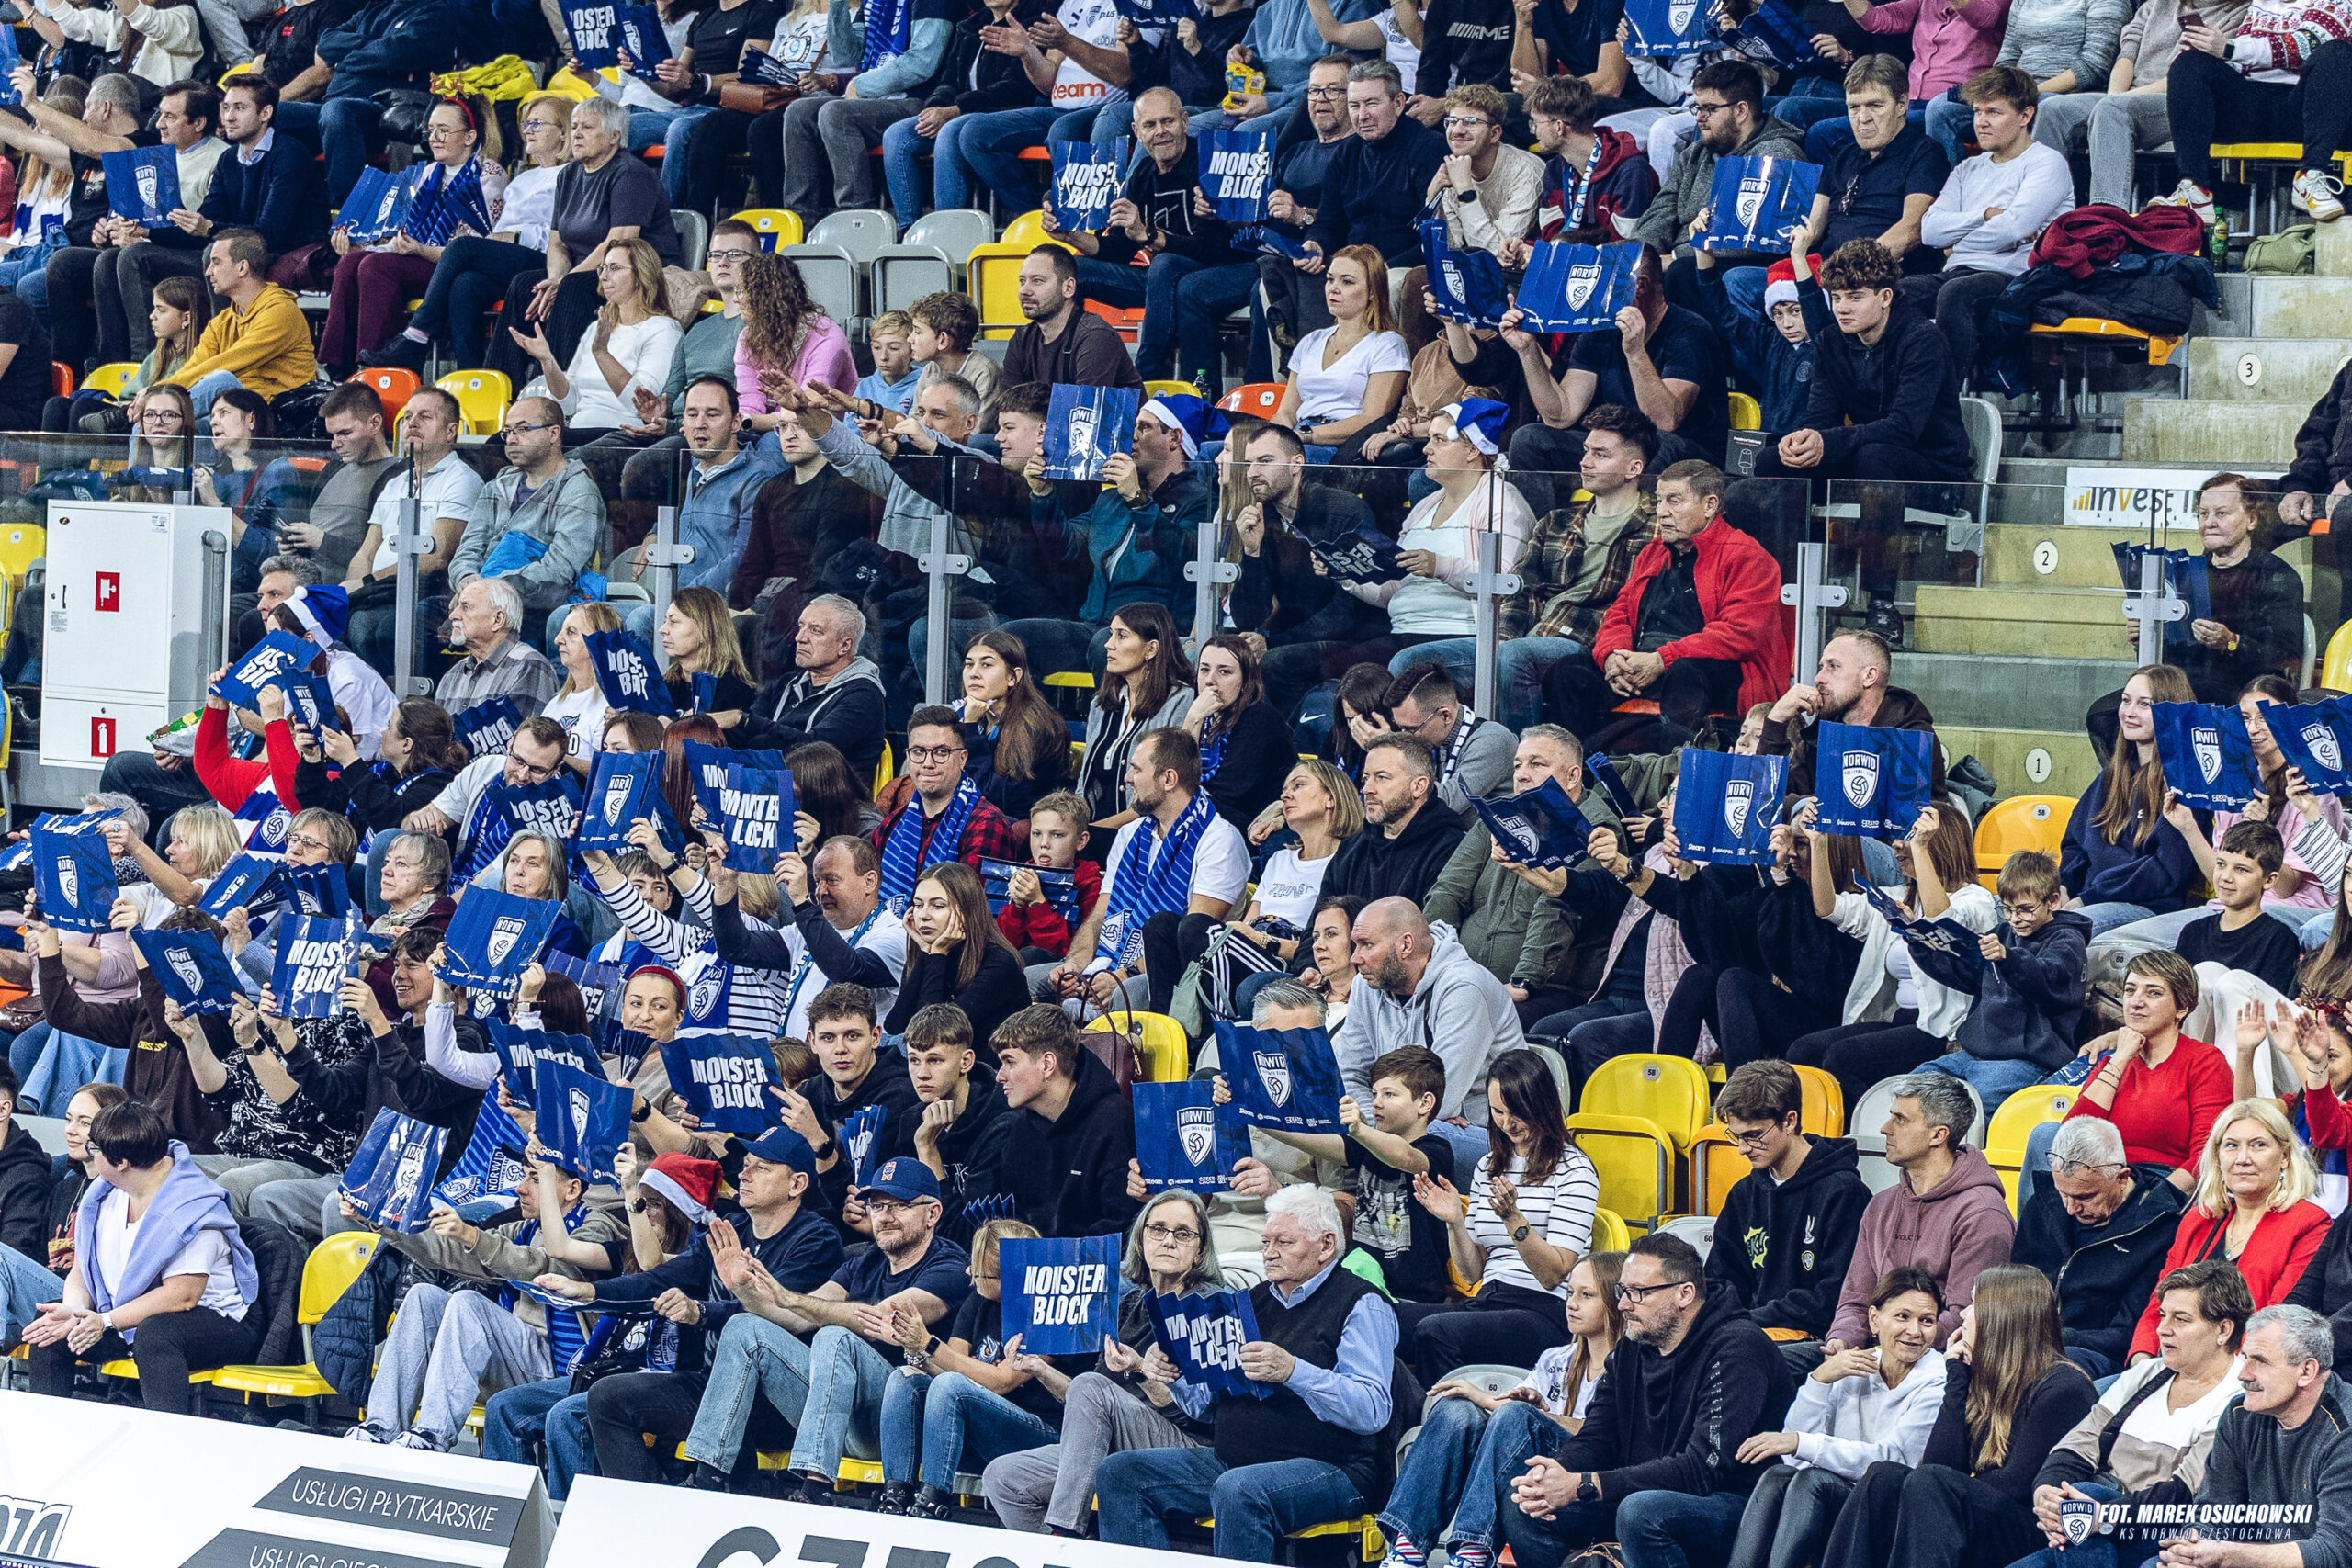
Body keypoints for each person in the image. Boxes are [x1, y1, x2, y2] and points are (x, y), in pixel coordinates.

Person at [1095, 1184, 1402, 1560]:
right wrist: (1174, 1375)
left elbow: (1371, 1409)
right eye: (1266, 1241)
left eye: (1284, 1242)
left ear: (1326, 1245)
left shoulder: (1362, 1302)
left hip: (1335, 1468)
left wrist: (1292, 1371)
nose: (1269, 1253)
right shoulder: (1249, 1302)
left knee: (1239, 1488)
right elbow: (1205, 1409)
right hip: (1235, 1460)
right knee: (1120, 1473)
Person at [542, 1128, 846, 1485]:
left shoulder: (817, 1239)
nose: (744, 1175)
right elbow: (659, 1279)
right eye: (746, 1164)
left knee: (743, 1335)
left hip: (776, 1402)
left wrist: (700, 1312)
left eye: (761, 1168)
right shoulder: (731, 1228)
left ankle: (714, 1492)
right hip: (712, 1385)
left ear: (797, 1184)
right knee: (608, 1398)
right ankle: (639, 1508)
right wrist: (589, 1292)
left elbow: (770, 1316)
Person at [677, 1154, 971, 1494]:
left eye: (900, 1206)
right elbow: (794, 1319)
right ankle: (709, 1477)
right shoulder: (862, 1263)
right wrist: (742, 1288)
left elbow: (882, 1318)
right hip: (836, 1416)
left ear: (932, 1213)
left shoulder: (951, 1266)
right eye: (877, 1206)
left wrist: (792, 1298)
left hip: (899, 1424)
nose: (885, 1217)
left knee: (835, 1336)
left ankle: (815, 1490)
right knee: (743, 1327)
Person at [1504, 1232, 1798, 1568]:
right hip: (1645, 1492)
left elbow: (1700, 1470)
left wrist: (1585, 1484)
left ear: (1685, 1294)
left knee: (1641, 1512)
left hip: (1734, 1506)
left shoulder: (1738, 1349)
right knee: (1525, 1504)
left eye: (1638, 1293)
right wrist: (1555, 1476)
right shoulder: (1635, 1343)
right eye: (1623, 1291)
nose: (1623, 1305)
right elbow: (1599, 1435)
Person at [1815, 1266, 2099, 1568]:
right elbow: (1939, 1464)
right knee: (1882, 1477)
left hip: (2033, 1532)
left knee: (1931, 1483)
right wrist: (1956, 1380)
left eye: (1974, 1303)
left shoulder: (2064, 1387)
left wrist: (1947, 1486)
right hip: (1985, 1516)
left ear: (2000, 1317)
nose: (1963, 1314)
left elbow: (2015, 1486)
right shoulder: (1985, 1380)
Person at [980, 1189, 1228, 1531]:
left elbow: (1202, 1413)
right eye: (1158, 1229)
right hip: (1118, 1439)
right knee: (1004, 1477)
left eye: (1183, 1233)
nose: (1168, 1241)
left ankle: (1065, 1529)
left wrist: (1141, 1371)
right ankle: (1066, 1554)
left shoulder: (1209, 1306)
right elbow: (1087, 1401)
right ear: (1141, 1240)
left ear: (1200, 1251)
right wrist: (1039, 1368)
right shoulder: (1129, 1304)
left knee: (1091, 1385)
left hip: (1187, 1448)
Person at [1766, 234, 1972, 645]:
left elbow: (1904, 428)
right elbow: (1821, 418)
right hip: (1868, 460)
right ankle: (1774, 596)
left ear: (1885, 297)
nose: (1843, 307)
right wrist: (1804, 439)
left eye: (1855, 296)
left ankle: (1882, 606)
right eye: (1837, 297)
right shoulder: (1830, 341)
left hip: (1937, 474)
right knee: (1772, 462)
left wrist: (1828, 442)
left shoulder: (1923, 339)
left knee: (1876, 458)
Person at [1374, 1252, 1626, 1568]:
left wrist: (1534, 1416)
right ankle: (1406, 1548)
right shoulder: (1555, 1358)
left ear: (1617, 1302)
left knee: (1515, 1414)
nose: (1572, 1304)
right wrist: (1483, 1398)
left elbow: (1607, 1437)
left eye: (1586, 1295)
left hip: (1585, 1483)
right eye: (1570, 1292)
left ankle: (1473, 1547)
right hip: (1532, 1470)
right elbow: (1514, 1420)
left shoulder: (1630, 1365)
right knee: (1457, 1410)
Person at [1421, 407, 1655, 732]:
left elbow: (1637, 606)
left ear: (1634, 468)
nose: (1585, 462)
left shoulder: (1658, 527)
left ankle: (1515, 754)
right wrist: (1500, 643)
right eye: (1586, 451)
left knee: (1514, 657)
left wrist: (1506, 652)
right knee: (1411, 664)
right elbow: (1521, 590)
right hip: (1527, 639)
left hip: (1588, 644)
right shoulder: (1557, 521)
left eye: (1601, 455)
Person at [21, 1100, 261, 1414]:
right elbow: (82, 1269)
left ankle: (166, 1436)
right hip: (124, 1316)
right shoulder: (104, 1194)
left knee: (156, 1334)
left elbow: (182, 1296)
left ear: (121, 1162)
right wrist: (74, 1311)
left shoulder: (193, 1206)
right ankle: (49, 1430)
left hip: (215, 1321)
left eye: (96, 1148)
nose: (91, 1154)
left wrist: (105, 1321)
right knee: (51, 1329)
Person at [2019, 1259, 2253, 1568]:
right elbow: (2080, 1442)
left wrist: (2105, 1516)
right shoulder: (2146, 1374)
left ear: (2223, 1329)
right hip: (2094, 1522)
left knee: (2083, 1498)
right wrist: (2048, 1492)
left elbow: (2185, 1493)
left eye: (2181, 1319)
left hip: (2160, 1529)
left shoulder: (2239, 1398)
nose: (2162, 1329)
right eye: (2163, 1316)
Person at [1543, 460, 1792, 743]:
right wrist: (1613, 656)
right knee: (1569, 673)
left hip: (1710, 672)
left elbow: (1739, 635)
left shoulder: (1748, 556)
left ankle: (1676, 765)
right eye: (1659, 501)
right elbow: (1619, 612)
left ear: (1710, 505)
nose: (1661, 512)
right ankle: (1575, 762)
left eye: (1674, 501)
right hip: (1644, 664)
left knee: (1686, 672)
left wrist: (1663, 659)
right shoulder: (1653, 552)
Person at [1728, 1269, 1951, 1568]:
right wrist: (1819, 1380)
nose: (1914, 1330)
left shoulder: (1938, 1380)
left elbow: (1894, 1458)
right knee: (1777, 1476)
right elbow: (1796, 1460)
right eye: (1902, 1316)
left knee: (1813, 1482)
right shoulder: (1854, 1365)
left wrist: (1801, 1443)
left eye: (1927, 1321)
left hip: (1889, 1507)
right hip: (1834, 1495)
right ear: (1874, 1319)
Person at [1788, 804, 2001, 1109]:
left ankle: (1877, 1127)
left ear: (1937, 842)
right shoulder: (1898, 896)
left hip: (1942, 1030)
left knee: (1842, 1058)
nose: (1896, 846)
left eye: (1908, 836)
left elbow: (1943, 921)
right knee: (1803, 1051)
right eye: (1898, 838)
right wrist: (1819, 843)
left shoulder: (1975, 900)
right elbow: (1828, 907)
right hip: (1898, 1020)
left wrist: (1920, 849)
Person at [1400, 1044, 1595, 1376]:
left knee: (1436, 1332)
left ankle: (1447, 1408)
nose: (1508, 1123)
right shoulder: (1488, 1167)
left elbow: (1553, 1274)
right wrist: (1454, 1222)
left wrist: (1513, 1219)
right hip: (1489, 1298)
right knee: (1382, 1319)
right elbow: (1472, 1273)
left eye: (1517, 1112)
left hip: (1545, 1309)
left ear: (1542, 1104)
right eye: (1498, 1112)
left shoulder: (1575, 1170)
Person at [1492, 246, 1729, 509]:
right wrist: (1527, 350)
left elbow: (1665, 420)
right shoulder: (1599, 332)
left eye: (1602, 281)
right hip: (1619, 447)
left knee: (1658, 446)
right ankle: (1548, 531)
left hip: (1688, 455)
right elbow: (1560, 414)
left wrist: (1635, 352)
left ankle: (1633, 532)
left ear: (1640, 286)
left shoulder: (1690, 332)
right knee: (1530, 440)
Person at [1004, 393, 1212, 681]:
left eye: (1143, 427)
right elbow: (1065, 547)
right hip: (1096, 625)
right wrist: (1043, 494)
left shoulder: (1201, 501)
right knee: (1010, 640)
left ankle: (1117, 712)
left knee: (1108, 643)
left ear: (1174, 438)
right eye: (1133, 426)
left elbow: (1183, 554)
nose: (1132, 436)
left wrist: (1138, 500)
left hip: (1156, 635)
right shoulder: (1111, 499)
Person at [367, 92, 575, 372]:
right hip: (510, 258)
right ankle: (472, 376)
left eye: (537, 124)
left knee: (463, 245)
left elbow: (567, 232)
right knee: (465, 284)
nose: (528, 131)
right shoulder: (523, 178)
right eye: (526, 125)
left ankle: (416, 335)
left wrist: (517, 237)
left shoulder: (572, 174)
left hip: (545, 259)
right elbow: (501, 231)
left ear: (563, 132)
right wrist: (501, 238)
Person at [1425, 725, 1617, 1025]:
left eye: (1536, 764)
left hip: (1550, 988)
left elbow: (1559, 907)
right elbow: (1448, 890)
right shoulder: (1496, 816)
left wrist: (1524, 981)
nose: (1522, 775)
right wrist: (1429, 961)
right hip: (1467, 977)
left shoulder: (1595, 829)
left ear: (1572, 776)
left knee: (1477, 1018)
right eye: (1517, 765)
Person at [486, 96, 683, 389]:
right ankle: (502, 389)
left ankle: (555, 390)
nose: (576, 134)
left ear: (614, 136)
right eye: (574, 126)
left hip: (635, 271)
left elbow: (619, 241)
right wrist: (555, 280)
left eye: (587, 127)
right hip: (585, 272)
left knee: (572, 288)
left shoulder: (630, 173)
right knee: (525, 285)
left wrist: (564, 282)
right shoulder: (569, 174)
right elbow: (556, 242)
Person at [2123, 1100, 2330, 1363]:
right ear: (2218, 1159)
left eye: (2258, 1145)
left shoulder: (2310, 1224)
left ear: (2285, 1157)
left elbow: (2275, 1321)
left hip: (2243, 1369)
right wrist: (2142, 1360)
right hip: (2171, 1363)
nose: (2243, 1159)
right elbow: (2159, 1304)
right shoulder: (2198, 1220)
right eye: (2232, 1146)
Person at [1901, 67, 2075, 378]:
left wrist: (1956, 244)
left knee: (1956, 294)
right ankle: (1897, 394)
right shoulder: (1967, 169)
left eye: (1994, 112)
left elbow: (2012, 228)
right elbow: (1929, 231)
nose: (1981, 121)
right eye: (1977, 111)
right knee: (1895, 294)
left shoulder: (2046, 163)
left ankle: (1946, 399)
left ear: (2025, 116)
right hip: (1959, 271)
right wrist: (1982, 216)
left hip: (2016, 275)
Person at [314, 94, 505, 378]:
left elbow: (470, 249)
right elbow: (404, 236)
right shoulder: (429, 172)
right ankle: (339, 370)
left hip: (452, 269)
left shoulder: (488, 174)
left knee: (375, 267)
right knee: (351, 263)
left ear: (469, 137)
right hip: (420, 259)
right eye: (431, 130)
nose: (434, 138)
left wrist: (417, 250)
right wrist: (359, 248)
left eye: (444, 130)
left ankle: (380, 369)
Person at [1826, 1072, 2015, 1354]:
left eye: (1900, 1120)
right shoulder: (1881, 1204)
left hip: (1936, 1362)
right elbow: (1855, 1301)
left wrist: (1885, 1350)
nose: (1885, 1129)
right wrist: (1840, 1341)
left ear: (1938, 1135)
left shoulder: (1982, 1213)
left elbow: (1963, 1319)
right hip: (1873, 1354)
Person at [2034, 952, 2236, 1210]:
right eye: (2130, 990)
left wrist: (2152, 1201)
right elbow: (2074, 1135)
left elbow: (2206, 1154)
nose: (2136, 1002)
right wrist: (2120, 1059)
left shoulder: (2204, 1061)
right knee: (2045, 1135)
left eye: (2153, 993)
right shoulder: (2112, 1063)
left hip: (2160, 1183)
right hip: (2098, 1181)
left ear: (2182, 1008)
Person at [1265, 62, 1445, 347]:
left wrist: (1376, 270)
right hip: (1353, 263)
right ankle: (1301, 369)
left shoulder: (1429, 149)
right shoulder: (1347, 153)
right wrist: (1315, 244)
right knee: (1281, 277)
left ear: (1399, 103)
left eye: (1371, 103)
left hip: (1401, 264)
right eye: (1354, 105)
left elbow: (1434, 234)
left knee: (1386, 284)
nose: (1362, 115)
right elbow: (1329, 222)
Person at [1232, 423, 1393, 722]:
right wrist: (1251, 553)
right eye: (1248, 463)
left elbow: (1348, 613)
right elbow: (1248, 617)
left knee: (1276, 662)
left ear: (1296, 464)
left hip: (1359, 638)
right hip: (1297, 636)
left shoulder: (1342, 511)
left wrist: (1273, 643)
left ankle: (1288, 745)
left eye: (1265, 461)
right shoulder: (1264, 518)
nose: (1252, 472)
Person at [2013, 1117, 2192, 1379]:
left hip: (2098, 1354)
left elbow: (2128, 1331)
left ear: (2122, 1178)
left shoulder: (2159, 1229)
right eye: (2063, 1193)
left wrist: (2054, 1339)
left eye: (2085, 1197)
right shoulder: (2044, 1204)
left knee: (2042, 1369)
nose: (2071, 1208)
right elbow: (2014, 1285)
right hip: (2031, 1342)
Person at [1707, 1061, 1872, 1343]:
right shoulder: (1743, 1194)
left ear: (1789, 1121)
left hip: (1815, 1339)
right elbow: (1719, 1281)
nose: (1743, 1149)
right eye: (1737, 1136)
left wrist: (1748, 1320)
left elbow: (1833, 1297)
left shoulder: (1844, 1193)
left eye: (1753, 1135)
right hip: (1748, 1333)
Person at [2032, 0, 2248, 212]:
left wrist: (2117, 102)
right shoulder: (2154, 5)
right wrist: (2115, 96)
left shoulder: (2241, 13)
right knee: (2052, 109)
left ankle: (2106, 218)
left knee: (2112, 112)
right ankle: (2041, 217)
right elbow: (2126, 57)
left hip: (2183, 104)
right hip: (2126, 95)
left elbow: (2192, 76)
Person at [2155, 0, 2352, 227]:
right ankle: (2194, 188)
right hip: (2254, 106)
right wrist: (2208, 51)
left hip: (2308, 111)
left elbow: (2308, 45)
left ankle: (2311, 177)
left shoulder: (2338, 2)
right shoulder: (2260, 4)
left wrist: (2229, 49)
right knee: (2189, 63)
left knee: (2337, 53)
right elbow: (2241, 60)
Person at [1631, 61, 1806, 310]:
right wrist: (1641, 257)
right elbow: (1660, 213)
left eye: (1709, 109)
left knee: (1680, 272)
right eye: (1697, 108)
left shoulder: (1779, 153)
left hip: (1738, 264)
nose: (1699, 118)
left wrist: (1677, 257)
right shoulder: (1695, 154)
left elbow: (1750, 241)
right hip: (1683, 259)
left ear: (1741, 111)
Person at [2063, 665, 2206, 938]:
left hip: (2147, 908)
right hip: (2087, 898)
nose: (2129, 712)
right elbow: (2074, 844)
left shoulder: (2185, 783)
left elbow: (2165, 871)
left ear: (2169, 712)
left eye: (2144, 705)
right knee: (2004, 910)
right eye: (2126, 701)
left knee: (2064, 929)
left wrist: (2088, 898)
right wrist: (2062, 887)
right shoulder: (2112, 775)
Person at [444, 400, 605, 634]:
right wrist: (466, 578)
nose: (511, 439)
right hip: (481, 599)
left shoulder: (580, 491)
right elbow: (467, 550)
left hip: (540, 608)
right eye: (508, 431)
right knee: (422, 612)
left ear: (553, 433)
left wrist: (488, 590)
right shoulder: (496, 487)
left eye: (522, 429)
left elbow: (559, 571)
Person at [989, 1005, 1144, 1238]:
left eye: (1009, 1062)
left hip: (1097, 1259)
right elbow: (1012, 1220)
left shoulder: (1115, 1122)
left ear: (1047, 1064)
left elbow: (1121, 1229)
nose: (999, 1076)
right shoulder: (1020, 1129)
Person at [509, 237, 683, 442]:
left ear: (640, 275)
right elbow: (568, 405)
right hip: (577, 429)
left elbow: (641, 406)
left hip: (620, 434)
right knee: (500, 442)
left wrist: (602, 354)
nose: (604, 277)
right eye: (603, 268)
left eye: (614, 268)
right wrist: (547, 360)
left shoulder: (663, 329)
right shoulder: (597, 328)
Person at [1762, 630, 1949, 806]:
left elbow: (1907, 816)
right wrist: (1776, 720)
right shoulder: (1820, 734)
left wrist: (1805, 806)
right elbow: (1767, 802)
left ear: (1869, 676)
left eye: (1833, 666)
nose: (1819, 678)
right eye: (1821, 667)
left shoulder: (1912, 736)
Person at [872, 705, 1022, 914]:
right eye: (918, 752)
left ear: (962, 759)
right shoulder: (893, 823)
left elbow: (970, 916)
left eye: (941, 752)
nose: (928, 763)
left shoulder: (987, 825)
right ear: (908, 756)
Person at [156, 228, 316, 414]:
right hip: (232, 411)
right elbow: (195, 368)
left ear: (242, 267)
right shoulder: (220, 323)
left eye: (216, 263)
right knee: (178, 424)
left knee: (220, 380)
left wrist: (161, 396)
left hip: (277, 414)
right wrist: (161, 391)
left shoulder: (281, 312)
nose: (208, 272)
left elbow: (229, 362)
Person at [1800, 55, 1953, 243]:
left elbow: (1912, 230)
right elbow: (1811, 229)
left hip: (1882, 261)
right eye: (1854, 107)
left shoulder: (1926, 154)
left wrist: (1855, 261)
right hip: (1825, 260)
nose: (1863, 118)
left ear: (1902, 104)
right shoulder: (1842, 156)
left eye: (1875, 105)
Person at [1072, 605, 1198, 829]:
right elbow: (1084, 784)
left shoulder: (1180, 700)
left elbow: (1162, 795)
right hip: (1094, 829)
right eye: (1111, 634)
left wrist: (1095, 831)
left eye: (1121, 636)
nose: (1108, 644)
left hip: (1144, 830)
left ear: (1151, 649)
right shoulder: (1101, 703)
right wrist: (1074, 827)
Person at [736, 594, 888, 778]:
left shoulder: (864, 696)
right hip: (768, 786)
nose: (799, 638)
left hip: (825, 793)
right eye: (801, 626)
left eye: (816, 630)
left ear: (844, 645)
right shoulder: (785, 684)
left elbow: (815, 750)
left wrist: (744, 720)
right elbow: (742, 735)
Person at [886, 865, 1030, 1053]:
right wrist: (924, 954)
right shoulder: (930, 952)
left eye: (938, 906)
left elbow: (931, 1035)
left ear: (966, 910)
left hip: (988, 1066)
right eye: (918, 905)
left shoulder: (999, 963)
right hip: (940, 1063)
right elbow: (895, 1027)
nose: (923, 915)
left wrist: (937, 955)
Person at [888, 1004, 1011, 1221]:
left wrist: (927, 1149)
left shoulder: (1001, 1124)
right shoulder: (911, 1120)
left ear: (966, 1061)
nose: (922, 1073)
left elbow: (969, 1230)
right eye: (914, 1060)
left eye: (935, 1060)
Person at [1326, 735, 1473, 903]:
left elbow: (1437, 917)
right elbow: (1323, 915)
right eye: (1366, 778)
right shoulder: (1351, 849)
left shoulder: (1451, 849)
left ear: (1418, 786)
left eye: (1381, 777)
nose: (1367, 789)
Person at [959, 633, 1076, 822]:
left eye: (986, 664)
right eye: (968, 664)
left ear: (1013, 677)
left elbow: (992, 800)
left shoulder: (1036, 727)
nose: (974, 673)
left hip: (1024, 826)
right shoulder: (974, 718)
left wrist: (970, 729)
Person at [1001, 243, 1145, 392]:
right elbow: (1009, 403)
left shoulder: (1096, 337)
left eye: (1037, 281)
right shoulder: (1021, 339)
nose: (1024, 291)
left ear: (1068, 288)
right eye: (1022, 281)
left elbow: (1083, 406)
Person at [427, 576, 562, 722]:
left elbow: (525, 735)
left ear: (498, 619)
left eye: (466, 607)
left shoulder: (530, 667)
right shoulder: (452, 675)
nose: (453, 615)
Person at [655, 586, 757, 718]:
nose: (662, 629)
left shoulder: (735, 693)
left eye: (673, 622)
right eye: (665, 621)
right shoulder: (663, 687)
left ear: (705, 630)